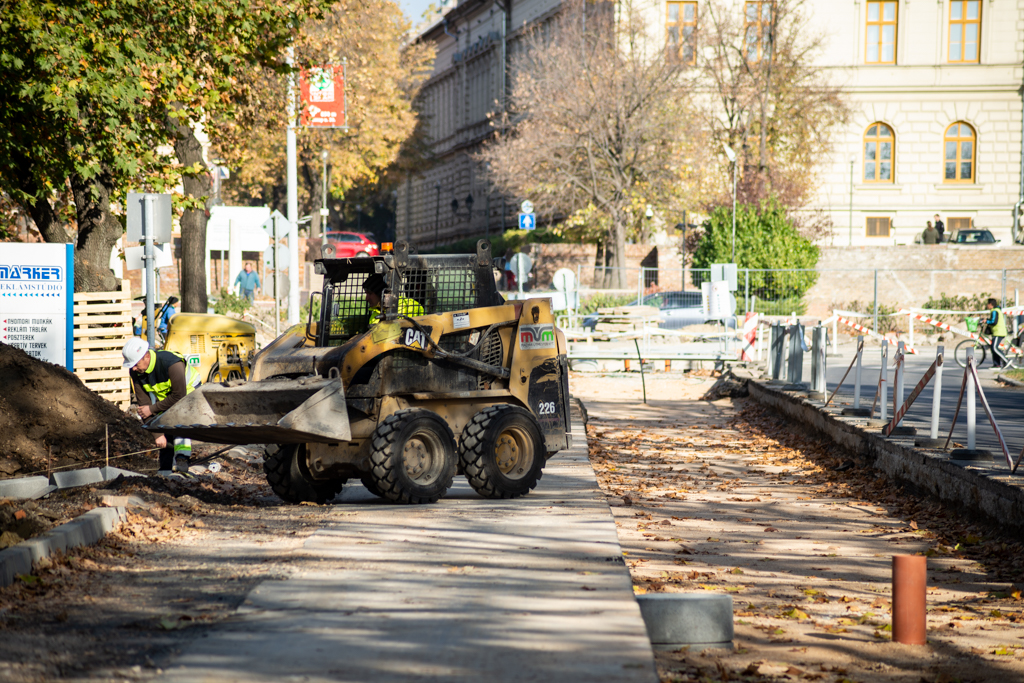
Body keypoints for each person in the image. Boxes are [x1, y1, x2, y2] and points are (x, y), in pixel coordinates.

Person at [122, 337, 201, 475]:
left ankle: (182, 460)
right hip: (167, 397)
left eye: (135, 364)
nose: (133, 368)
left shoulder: (171, 363)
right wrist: (157, 435)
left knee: (178, 420)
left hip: (189, 391)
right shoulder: (136, 371)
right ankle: (165, 470)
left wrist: (152, 409)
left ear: (146, 356)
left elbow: (179, 396)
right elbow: (143, 408)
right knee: (164, 425)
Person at [983, 298, 1008, 369]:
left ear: (990, 304)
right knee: (993, 348)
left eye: (987, 304)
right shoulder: (994, 310)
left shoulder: (995, 311)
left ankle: (1006, 360)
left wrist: (987, 321)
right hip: (996, 332)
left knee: (994, 348)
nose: (987, 305)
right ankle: (997, 364)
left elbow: (994, 321)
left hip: (999, 332)